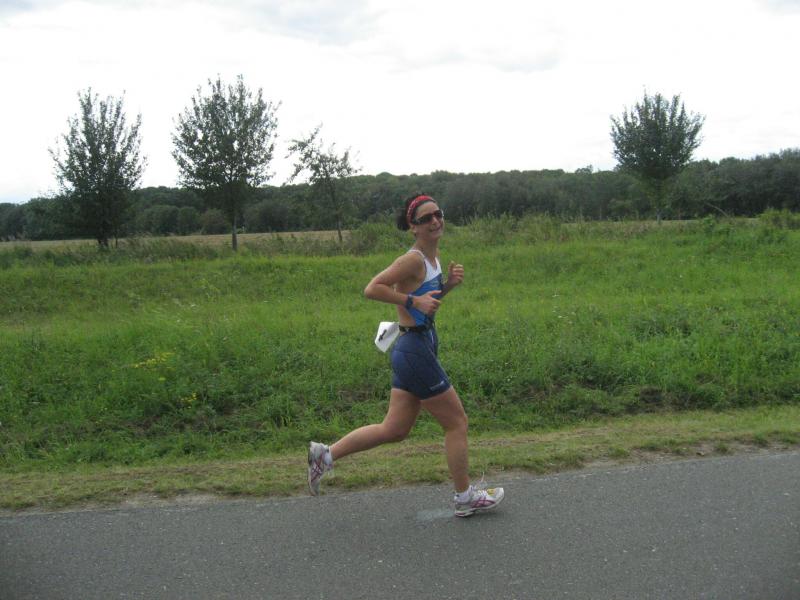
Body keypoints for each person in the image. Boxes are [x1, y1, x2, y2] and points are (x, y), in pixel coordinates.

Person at [307, 193, 505, 517]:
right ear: (414, 227)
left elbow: (426, 300)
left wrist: (448, 286)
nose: (435, 221)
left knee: (394, 429)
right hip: (414, 350)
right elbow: (373, 288)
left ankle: (324, 456)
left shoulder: (433, 258)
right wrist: (412, 302)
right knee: (457, 423)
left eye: (438, 214)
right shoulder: (412, 259)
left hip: (417, 346)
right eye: (426, 218)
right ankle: (465, 497)